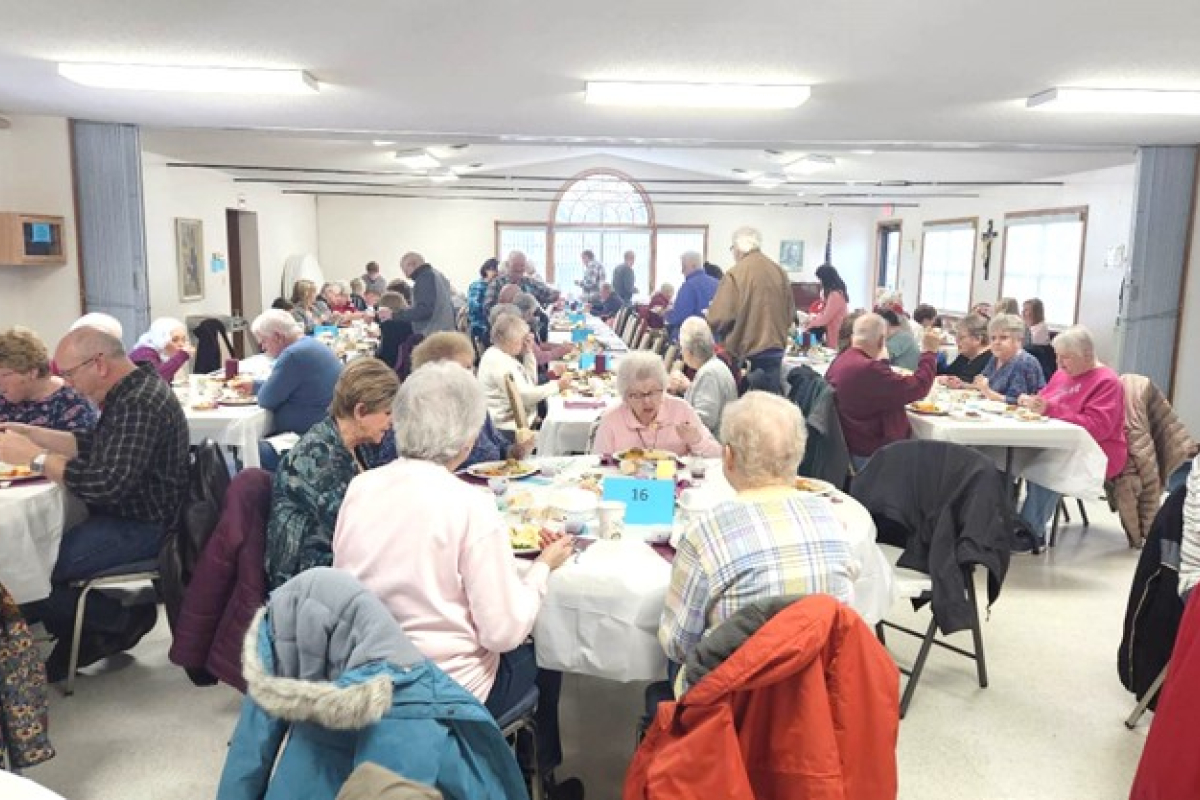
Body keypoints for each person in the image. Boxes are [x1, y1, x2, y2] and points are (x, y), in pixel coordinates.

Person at [332, 362, 582, 800]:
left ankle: (507, 767)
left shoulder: (360, 488)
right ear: (468, 441)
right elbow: (502, 632)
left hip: (367, 678)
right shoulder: (469, 504)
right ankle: (529, 775)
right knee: (544, 651)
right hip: (447, 691)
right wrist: (541, 569)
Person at [0, 327, 188, 681]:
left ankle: (118, 620)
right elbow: (98, 444)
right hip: (138, 515)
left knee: (29, 565)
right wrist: (37, 435)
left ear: (98, 364)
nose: (67, 383)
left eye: (70, 373)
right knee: (28, 556)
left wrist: (36, 457)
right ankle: (97, 625)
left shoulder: (138, 402)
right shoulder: (133, 390)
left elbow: (104, 486)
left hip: (145, 525)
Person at [658, 391, 855, 680]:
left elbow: (678, 645)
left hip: (731, 700)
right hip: (816, 688)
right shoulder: (836, 521)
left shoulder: (705, 533)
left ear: (728, 457)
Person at [264, 359, 398, 590]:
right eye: (387, 412)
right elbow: (358, 531)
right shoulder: (319, 460)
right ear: (361, 411)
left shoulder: (356, 444)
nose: (391, 422)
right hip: (306, 582)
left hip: (335, 564)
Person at [1014, 327, 1127, 552]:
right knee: (1008, 455)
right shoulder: (1062, 375)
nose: (1059, 363)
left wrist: (1051, 409)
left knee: (1049, 465)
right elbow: (1045, 401)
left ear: (1087, 355)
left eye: (1065, 357)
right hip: (1060, 441)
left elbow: (1098, 428)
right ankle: (1003, 520)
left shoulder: (1107, 382)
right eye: (1057, 356)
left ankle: (1031, 533)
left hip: (1097, 451)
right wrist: (1032, 403)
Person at [825, 313, 940, 469]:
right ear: (881, 341)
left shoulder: (843, 359)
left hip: (850, 441)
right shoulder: (868, 369)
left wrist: (882, 359)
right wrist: (929, 353)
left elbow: (880, 385)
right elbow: (919, 387)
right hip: (873, 448)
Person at [406, 332, 536, 468]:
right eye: (463, 369)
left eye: (470, 367)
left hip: (493, 481)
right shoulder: (418, 415)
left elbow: (501, 447)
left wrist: (517, 451)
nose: (471, 374)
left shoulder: (474, 403)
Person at [707, 227, 796, 394]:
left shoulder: (735, 274)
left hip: (747, 355)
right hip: (775, 352)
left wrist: (709, 315)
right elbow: (790, 314)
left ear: (739, 248)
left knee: (748, 411)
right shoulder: (779, 271)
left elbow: (719, 317)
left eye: (732, 249)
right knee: (769, 407)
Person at [251, 310, 343, 469]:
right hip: (329, 430)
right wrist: (253, 386)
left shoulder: (293, 355)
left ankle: (271, 492)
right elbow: (288, 385)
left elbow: (265, 399)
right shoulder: (310, 345)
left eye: (264, 341)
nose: (263, 347)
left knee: (250, 452)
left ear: (278, 337)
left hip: (310, 440)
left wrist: (259, 389)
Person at [591, 351, 722, 457]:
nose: (647, 401)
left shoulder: (681, 410)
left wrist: (696, 441)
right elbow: (597, 465)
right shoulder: (612, 418)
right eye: (637, 395)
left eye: (653, 392)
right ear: (625, 397)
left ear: (664, 388)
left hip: (674, 485)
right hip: (627, 486)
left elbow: (718, 455)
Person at [477, 313, 569, 432]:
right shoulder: (498, 361)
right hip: (508, 428)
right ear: (510, 341)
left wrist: (528, 352)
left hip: (522, 419)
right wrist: (557, 386)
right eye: (522, 340)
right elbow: (526, 397)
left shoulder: (503, 354)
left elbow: (531, 382)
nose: (525, 342)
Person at [0, 327, 96, 433]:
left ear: (32, 373)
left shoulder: (73, 404)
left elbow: (81, 447)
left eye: (4, 375)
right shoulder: (4, 398)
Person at [669, 317, 738, 436]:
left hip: (712, 448)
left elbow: (703, 421)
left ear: (688, 352)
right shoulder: (712, 367)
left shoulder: (709, 374)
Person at [974, 314, 1046, 403]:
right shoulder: (996, 357)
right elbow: (983, 384)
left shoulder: (1025, 362)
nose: (997, 342)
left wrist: (988, 392)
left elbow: (1019, 401)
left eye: (1003, 338)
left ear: (1019, 340)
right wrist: (965, 384)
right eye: (993, 338)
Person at [395, 252, 457, 335]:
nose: (405, 275)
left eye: (405, 270)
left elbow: (424, 310)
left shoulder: (424, 278)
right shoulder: (437, 274)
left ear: (412, 264)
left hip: (433, 333)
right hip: (446, 329)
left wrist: (397, 315)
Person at [483, 251, 560, 316]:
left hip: (529, 329)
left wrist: (558, 297)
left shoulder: (529, 282)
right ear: (507, 265)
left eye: (522, 266)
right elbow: (488, 309)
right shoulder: (496, 284)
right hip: (505, 328)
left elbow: (549, 293)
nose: (519, 269)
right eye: (515, 267)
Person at [666, 251, 720, 341]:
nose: (682, 271)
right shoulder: (718, 284)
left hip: (691, 340)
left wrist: (667, 314)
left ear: (694, 266)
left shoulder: (689, 286)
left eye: (684, 267)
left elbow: (680, 316)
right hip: (714, 339)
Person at [128, 317, 193, 383]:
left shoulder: (163, 354)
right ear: (161, 340)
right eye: (175, 340)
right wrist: (181, 356)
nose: (181, 344)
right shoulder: (144, 354)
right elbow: (156, 381)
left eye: (183, 340)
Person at [515, 293, 571, 366]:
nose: (533, 317)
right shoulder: (520, 328)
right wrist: (560, 351)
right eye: (532, 313)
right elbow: (539, 358)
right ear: (527, 312)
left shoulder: (521, 324)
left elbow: (539, 346)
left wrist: (561, 346)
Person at [938, 313, 993, 386]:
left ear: (978, 339)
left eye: (961, 337)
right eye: (956, 337)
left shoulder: (990, 360)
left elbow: (969, 383)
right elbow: (947, 374)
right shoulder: (966, 355)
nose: (956, 341)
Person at [803, 265, 850, 346]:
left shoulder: (835, 295)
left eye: (820, 279)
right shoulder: (834, 293)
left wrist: (811, 323)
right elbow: (823, 314)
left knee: (807, 336)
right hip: (831, 329)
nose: (820, 282)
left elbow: (825, 318)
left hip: (836, 331)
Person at [374, 291, 414, 369]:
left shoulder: (389, 326)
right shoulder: (408, 322)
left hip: (388, 367)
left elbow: (384, 354)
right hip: (404, 366)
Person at [468, 258, 499, 343]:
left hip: (492, 325)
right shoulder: (477, 286)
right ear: (486, 270)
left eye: (497, 271)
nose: (496, 273)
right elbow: (474, 306)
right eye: (493, 270)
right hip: (480, 325)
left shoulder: (497, 286)